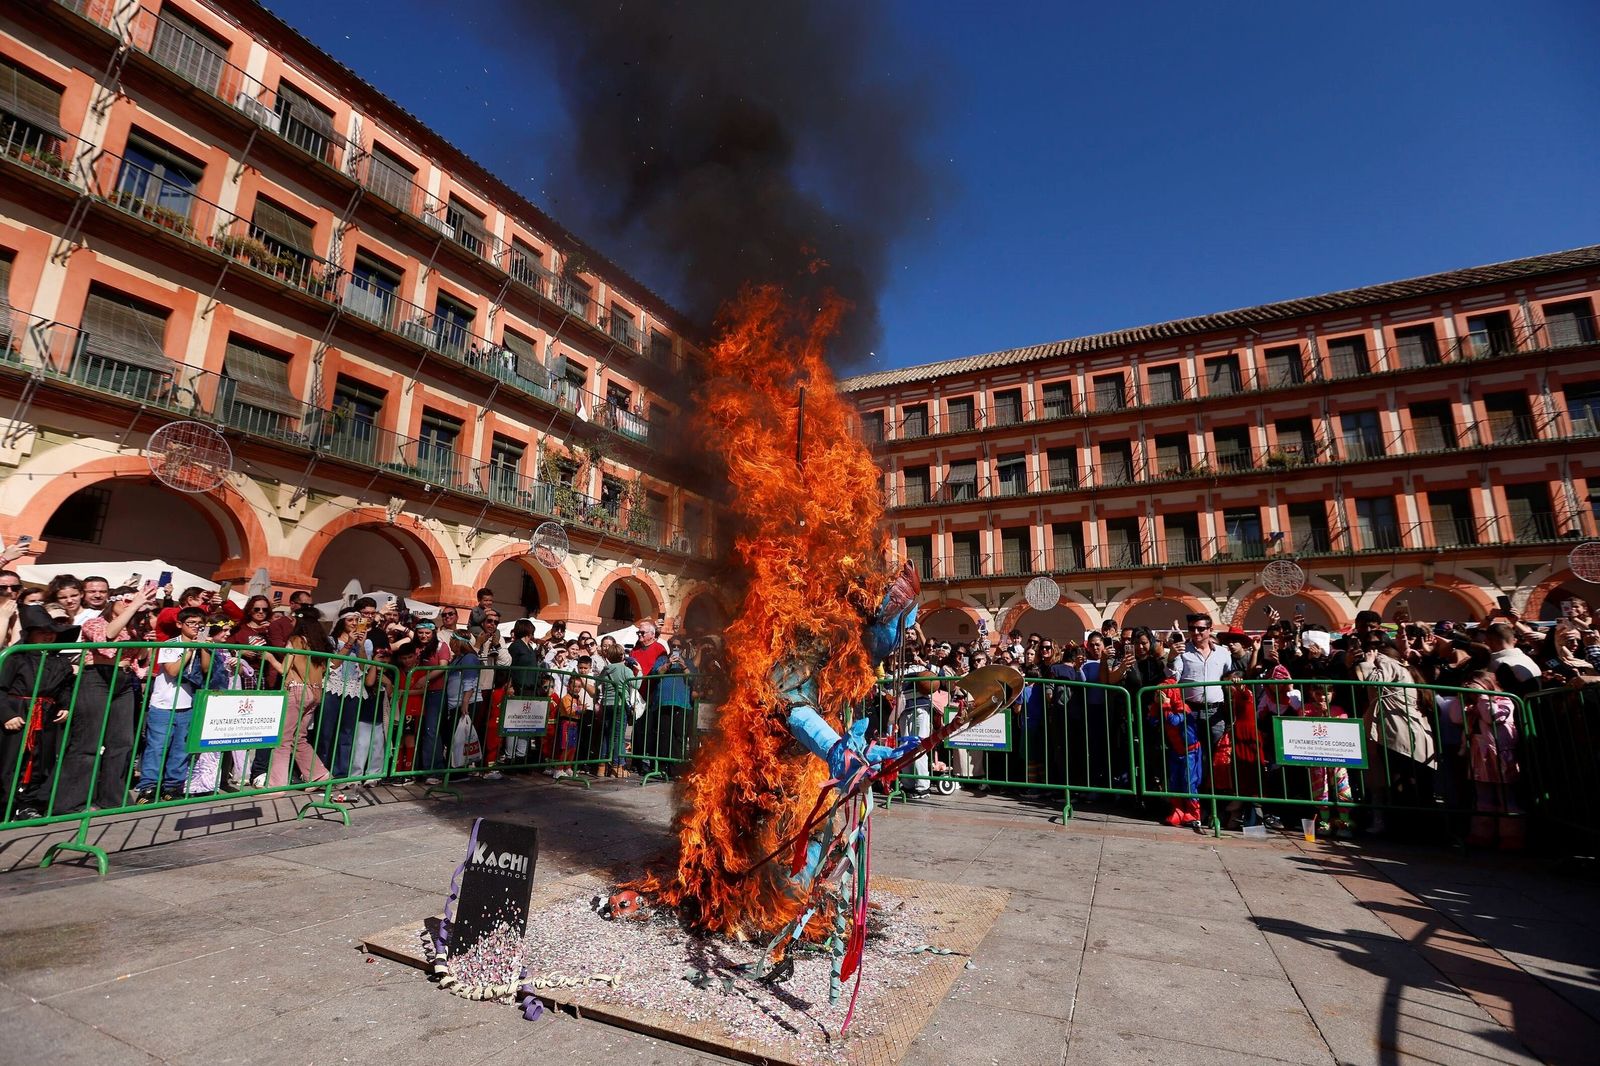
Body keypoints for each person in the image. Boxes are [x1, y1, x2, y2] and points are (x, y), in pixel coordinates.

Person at [0, 604, 81, 820]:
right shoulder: (15, 657)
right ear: (30, 634)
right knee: (9, 761)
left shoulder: (59, 661)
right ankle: (5, 804)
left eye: (51, 632)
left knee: (39, 762)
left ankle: (28, 805)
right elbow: (1, 688)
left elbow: (64, 687)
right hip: (17, 713)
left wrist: (65, 705)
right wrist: (6, 714)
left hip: (45, 715)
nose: (47, 636)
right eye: (41, 632)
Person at [133, 606, 211, 804]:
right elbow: (173, 670)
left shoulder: (202, 645)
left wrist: (203, 648)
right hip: (163, 704)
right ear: (180, 624)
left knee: (181, 748)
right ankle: (148, 787)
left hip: (188, 704)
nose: (196, 627)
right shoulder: (170, 644)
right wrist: (190, 649)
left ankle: (173, 786)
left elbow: (206, 669)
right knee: (157, 747)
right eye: (191, 623)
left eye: (200, 625)